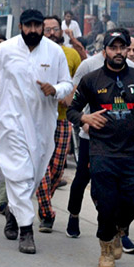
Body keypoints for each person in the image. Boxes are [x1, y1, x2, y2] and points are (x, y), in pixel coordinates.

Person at [0, 9, 72, 254]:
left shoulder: (54, 52)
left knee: (32, 176)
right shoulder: (5, 50)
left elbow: (68, 83)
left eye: (37, 26)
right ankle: (26, 231)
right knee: (20, 173)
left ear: (43, 27)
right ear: (20, 26)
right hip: (10, 123)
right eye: (28, 26)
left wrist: (54, 89)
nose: (32, 30)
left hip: (42, 125)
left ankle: (14, 211)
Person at [67, 30, 134, 267]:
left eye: (123, 47)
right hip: (101, 151)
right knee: (106, 202)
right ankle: (106, 245)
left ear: (128, 50)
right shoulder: (91, 79)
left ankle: (119, 229)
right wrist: (85, 117)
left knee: (132, 202)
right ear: (104, 50)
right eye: (113, 47)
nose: (118, 52)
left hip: (131, 152)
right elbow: (71, 111)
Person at [36, 15, 81, 233]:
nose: (52, 33)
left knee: (57, 168)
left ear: (61, 31)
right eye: (47, 30)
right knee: (41, 168)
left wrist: (68, 96)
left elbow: (78, 84)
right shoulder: (34, 54)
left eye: (55, 29)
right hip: (38, 119)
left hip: (63, 119)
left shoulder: (71, 55)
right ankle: (46, 213)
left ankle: (43, 200)